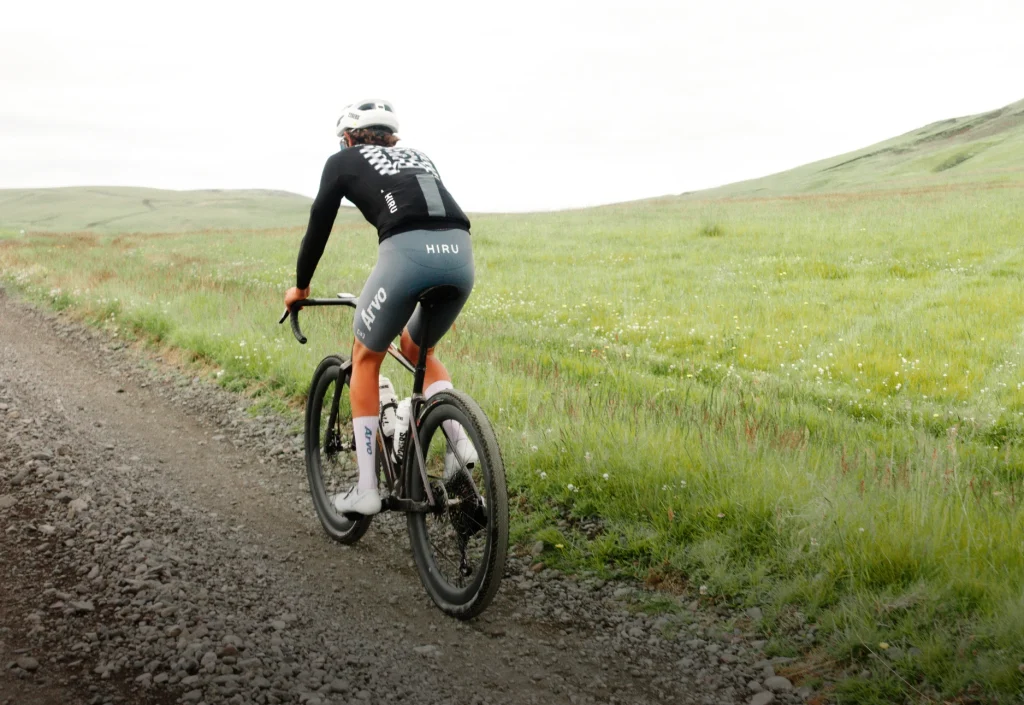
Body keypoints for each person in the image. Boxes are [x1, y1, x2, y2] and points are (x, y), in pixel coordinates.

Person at [284, 99, 476, 515]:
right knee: (417, 349)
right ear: (391, 138)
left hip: (406, 258)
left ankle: (367, 488)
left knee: (365, 357)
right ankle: (461, 445)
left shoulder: (343, 160)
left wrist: (300, 287)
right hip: (461, 256)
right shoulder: (419, 156)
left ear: (349, 138)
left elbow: (319, 223)